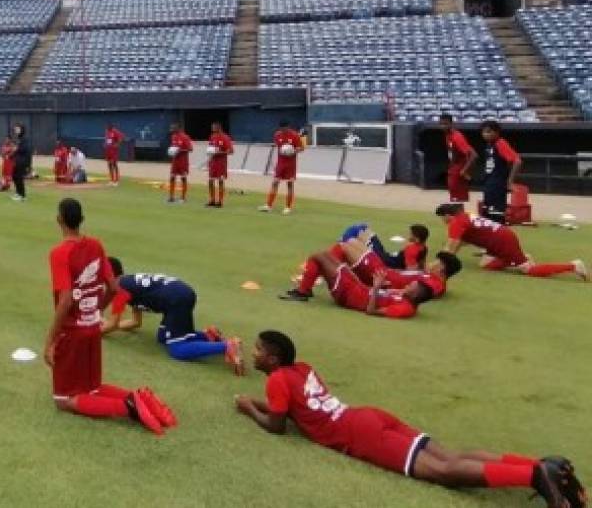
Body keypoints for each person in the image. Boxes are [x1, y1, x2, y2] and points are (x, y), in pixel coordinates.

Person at [235, 330, 583, 507]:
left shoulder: (277, 380)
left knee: (445, 474)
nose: (255, 354)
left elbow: (278, 427)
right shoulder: (300, 368)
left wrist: (249, 407)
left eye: (258, 350)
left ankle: (533, 474)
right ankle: (544, 465)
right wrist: (261, 402)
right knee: (450, 456)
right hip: (367, 416)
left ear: (274, 357)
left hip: (361, 435)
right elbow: (299, 411)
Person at [44, 198, 174, 435]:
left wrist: (50, 341)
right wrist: (95, 312)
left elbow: (65, 301)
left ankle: (128, 406)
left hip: (72, 333)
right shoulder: (96, 245)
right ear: (81, 220)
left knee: (64, 400)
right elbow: (114, 287)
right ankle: (138, 396)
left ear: (59, 220)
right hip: (93, 328)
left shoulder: (59, 254)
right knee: (91, 388)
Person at [102, 257, 243, 374]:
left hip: (176, 300)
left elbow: (113, 324)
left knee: (177, 349)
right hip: (179, 295)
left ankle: (226, 346)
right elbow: (135, 322)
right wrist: (111, 326)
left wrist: (95, 331)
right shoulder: (129, 284)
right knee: (162, 337)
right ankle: (209, 336)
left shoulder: (119, 288)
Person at [280, 241, 460, 318]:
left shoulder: (408, 305)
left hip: (350, 293)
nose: (434, 263)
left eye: (413, 286)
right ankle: (307, 284)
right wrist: (384, 288)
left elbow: (371, 310)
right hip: (359, 287)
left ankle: (304, 289)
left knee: (319, 256)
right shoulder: (405, 297)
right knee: (334, 251)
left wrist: (376, 287)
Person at [437, 203, 587, 280]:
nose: (443, 221)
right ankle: (516, 259)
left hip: (502, 242)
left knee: (529, 270)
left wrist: (441, 264)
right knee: (485, 265)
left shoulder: (456, 222)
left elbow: (452, 246)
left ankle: (574, 266)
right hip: (499, 238)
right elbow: (459, 243)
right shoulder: (466, 215)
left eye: (442, 217)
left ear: (447, 216)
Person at [479, 120, 521, 224]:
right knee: (487, 213)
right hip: (489, 184)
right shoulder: (489, 146)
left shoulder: (500, 143)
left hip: (497, 184)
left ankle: (499, 236)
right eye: (483, 132)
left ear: (497, 132)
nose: (485, 134)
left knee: (496, 214)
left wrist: (510, 182)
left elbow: (517, 161)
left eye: (489, 132)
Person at [260, 120, 303, 215]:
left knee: (289, 184)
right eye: (281, 128)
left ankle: (288, 207)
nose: (283, 130)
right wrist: (283, 150)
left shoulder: (295, 135)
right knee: (275, 182)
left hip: (291, 164)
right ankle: (269, 205)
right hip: (280, 163)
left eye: (285, 128)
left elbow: (301, 148)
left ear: (288, 127)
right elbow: (278, 146)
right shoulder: (277, 135)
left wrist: (292, 151)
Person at [439, 113, 476, 203]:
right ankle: (457, 216)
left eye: (446, 124)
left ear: (451, 124)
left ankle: (460, 216)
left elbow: (473, 155)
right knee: (454, 199)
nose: (443, 126)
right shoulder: (448, 135)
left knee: (458, 200)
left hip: (458, 171)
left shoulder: (457, 136)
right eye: (441, 124)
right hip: (453, 169)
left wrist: (464, 171)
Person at [205, 121, 234, 208]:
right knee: (210, 181)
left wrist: (220, 152)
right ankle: (212, 200)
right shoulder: (212, 137)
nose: (212, 128)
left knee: (220, 181)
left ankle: (220, 201)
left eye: (214, 127)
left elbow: (231, 151)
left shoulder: (225, 138)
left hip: (221, 163)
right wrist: (209, 159)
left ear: (219, 127)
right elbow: (210, 150)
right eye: (212, 127)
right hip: (213, 163)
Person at [166, 123, 193, 204]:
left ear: (178, 128)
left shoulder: (185, 137)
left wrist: (179, 150)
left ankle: (183, 198)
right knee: (172, 177)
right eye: (171, 128)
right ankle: (171, 197)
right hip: (175, 161)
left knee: (183, 178)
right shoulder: (173, 136)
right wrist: (172, 151)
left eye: (173, 128)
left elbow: (190, 149)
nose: (171, 130)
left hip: (183, 161)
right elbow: (174, 147)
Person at [11, 123, 32, 200]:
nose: (16, 130)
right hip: (18, 160)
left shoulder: (24, 139)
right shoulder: (19, 139)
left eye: (18, 129)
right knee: (14, 176)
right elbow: (16, 150)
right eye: (15, 129)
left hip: (23, 161)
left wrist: (16, 149)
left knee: (19, 177)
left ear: (21, 130)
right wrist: (11, 155)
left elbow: (25, 149)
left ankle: (22, 195)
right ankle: (18, 192)